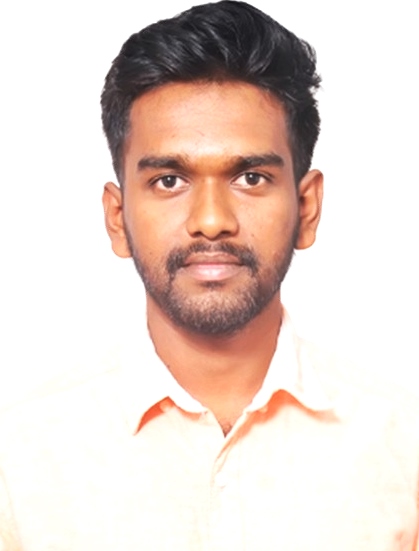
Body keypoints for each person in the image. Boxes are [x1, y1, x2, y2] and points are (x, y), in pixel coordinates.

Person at [1, 1, 418, 549]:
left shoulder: (404, 444)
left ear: (307, 208)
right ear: (117, 218)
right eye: (170, 181)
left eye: (251, 177)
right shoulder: (18, 458)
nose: (212, 220)